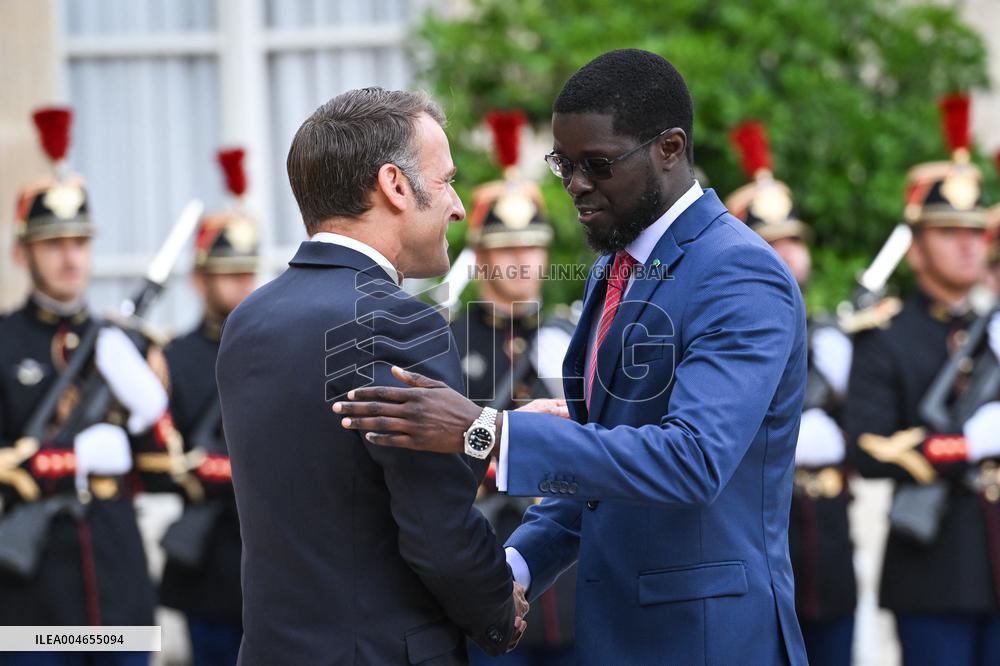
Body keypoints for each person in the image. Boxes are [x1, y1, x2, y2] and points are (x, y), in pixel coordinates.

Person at [335, 49, 809, 664]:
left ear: (670, 148)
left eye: (598, 164)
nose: (576, 184)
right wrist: (514, 568)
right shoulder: (615, 266)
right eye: (565, 164)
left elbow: (692, 460)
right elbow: (600, 463)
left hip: (707, 638)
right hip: (625, 632)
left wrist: (486, 432)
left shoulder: (738, 272)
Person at [215, 88, 534, 665]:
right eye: (446, 181)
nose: (458, 207)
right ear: (395, 185)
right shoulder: (399, 321)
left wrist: (498, 431)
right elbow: (437, 528)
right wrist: (499, 611)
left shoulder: (249, 318)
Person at [0, 108, 168, 665]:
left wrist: (149, 404)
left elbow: (161, 458)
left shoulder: (126, 343)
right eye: (53, 243)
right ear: (22, 252)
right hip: (32, 592)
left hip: (117, 574)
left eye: (79, 241)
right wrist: (67, 458)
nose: (70, 256)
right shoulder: (4, 341)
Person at [844, 94, 1000, 665]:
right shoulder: (886, 336)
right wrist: (965, 445)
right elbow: (866, 445)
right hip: (936, 567)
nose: (967, 244)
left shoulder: (993, 328)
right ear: (915, 249)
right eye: (947, 232)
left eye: (975, 232)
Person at [726, 121, 857, 666]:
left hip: (826, 539)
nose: (790, 253)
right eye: (774, 241)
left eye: (794, 239)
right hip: (755, 534)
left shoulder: (834, 335)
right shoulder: (726, 328)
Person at [453, 111, 576, 666]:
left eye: (532, 247)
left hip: (568, 564)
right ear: (479, 256)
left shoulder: (571, 337)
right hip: (488, 561)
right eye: (506, 248)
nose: (522, 261)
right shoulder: (447, 344)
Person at [157, 148, 259, 665]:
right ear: (200, 280)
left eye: (248, 272)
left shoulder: (274, 347)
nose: (243, 284)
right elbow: (161, 459)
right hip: (211, 563)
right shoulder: (173, 357)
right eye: (227, 274)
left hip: (271, 562)